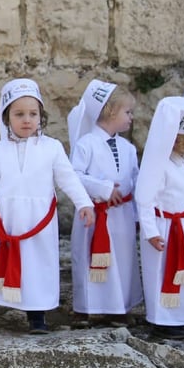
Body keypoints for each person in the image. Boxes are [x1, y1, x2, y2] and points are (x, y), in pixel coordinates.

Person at [0, 79, 94, 334]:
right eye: (19, 114)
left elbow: (68, 178)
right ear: (7, 118)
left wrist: (84, 203)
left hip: (37, 223)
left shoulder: (52, 148)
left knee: (35, 267)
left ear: (41, 117)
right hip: (3, 220)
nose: (27, 120)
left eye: (33, 114)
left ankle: (37, 316)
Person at [67, 79, 142, 326]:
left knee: (121, 259)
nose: (131, 118)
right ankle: (88, 306)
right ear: (110, 111)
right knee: (90, 259)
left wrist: (139, 215)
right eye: (127, 112)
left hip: (122, 216)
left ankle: (118, 306)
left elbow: (135, 178)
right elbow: (74, 176)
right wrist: (104, 188)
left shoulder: (128, 148)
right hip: (95, 214)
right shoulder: (86, 144)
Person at [135, 96, 184, 339]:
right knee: (165, 271)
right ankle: (166, 320)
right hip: (167, 228)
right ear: (178, 140)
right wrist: (151, 232)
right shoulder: (159, 165)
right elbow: (145, 199)